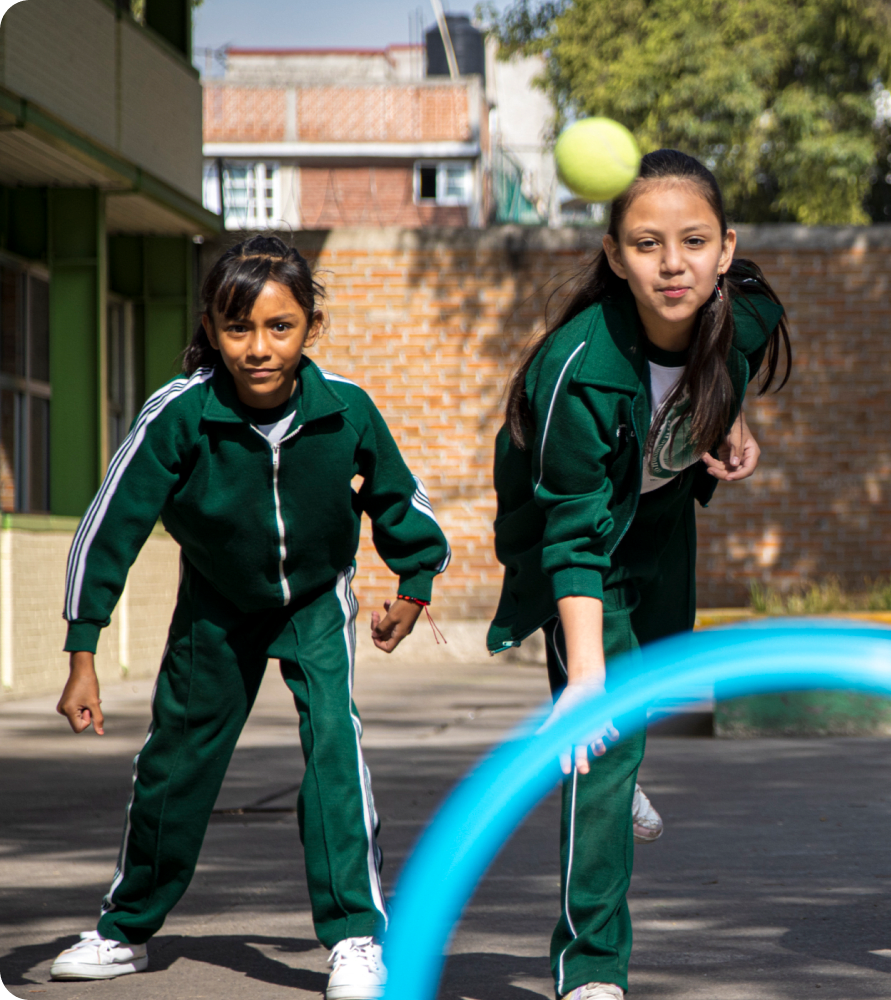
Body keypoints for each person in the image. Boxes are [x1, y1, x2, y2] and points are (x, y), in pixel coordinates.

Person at [48, 235, 452, 1000]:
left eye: (280, 327)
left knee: (335, 751)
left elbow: (401, 502)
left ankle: (357, 938)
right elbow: (108, 530)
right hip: (217, 608)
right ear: (211, 326)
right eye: (238, 329)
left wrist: (416, 582)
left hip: (314, 602)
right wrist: (82, 652)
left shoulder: (345, 410)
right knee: (176, 762)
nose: (259, 348)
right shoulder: (181, 415)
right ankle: (126, 929)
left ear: (310, 326)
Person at [487, 148, 792, 1000]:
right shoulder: (578, 373)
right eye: (648, 244)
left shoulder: (744, 312)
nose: (673, 263)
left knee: (646, 688)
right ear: (615, 256)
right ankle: (589, 969)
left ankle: (611, 764)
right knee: (602, 735)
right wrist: (584, 681)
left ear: (725, 248)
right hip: (573, 545)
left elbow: (739, 344)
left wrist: (725, 422)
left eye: (694, 241)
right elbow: (572, 536)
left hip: (657, 530)